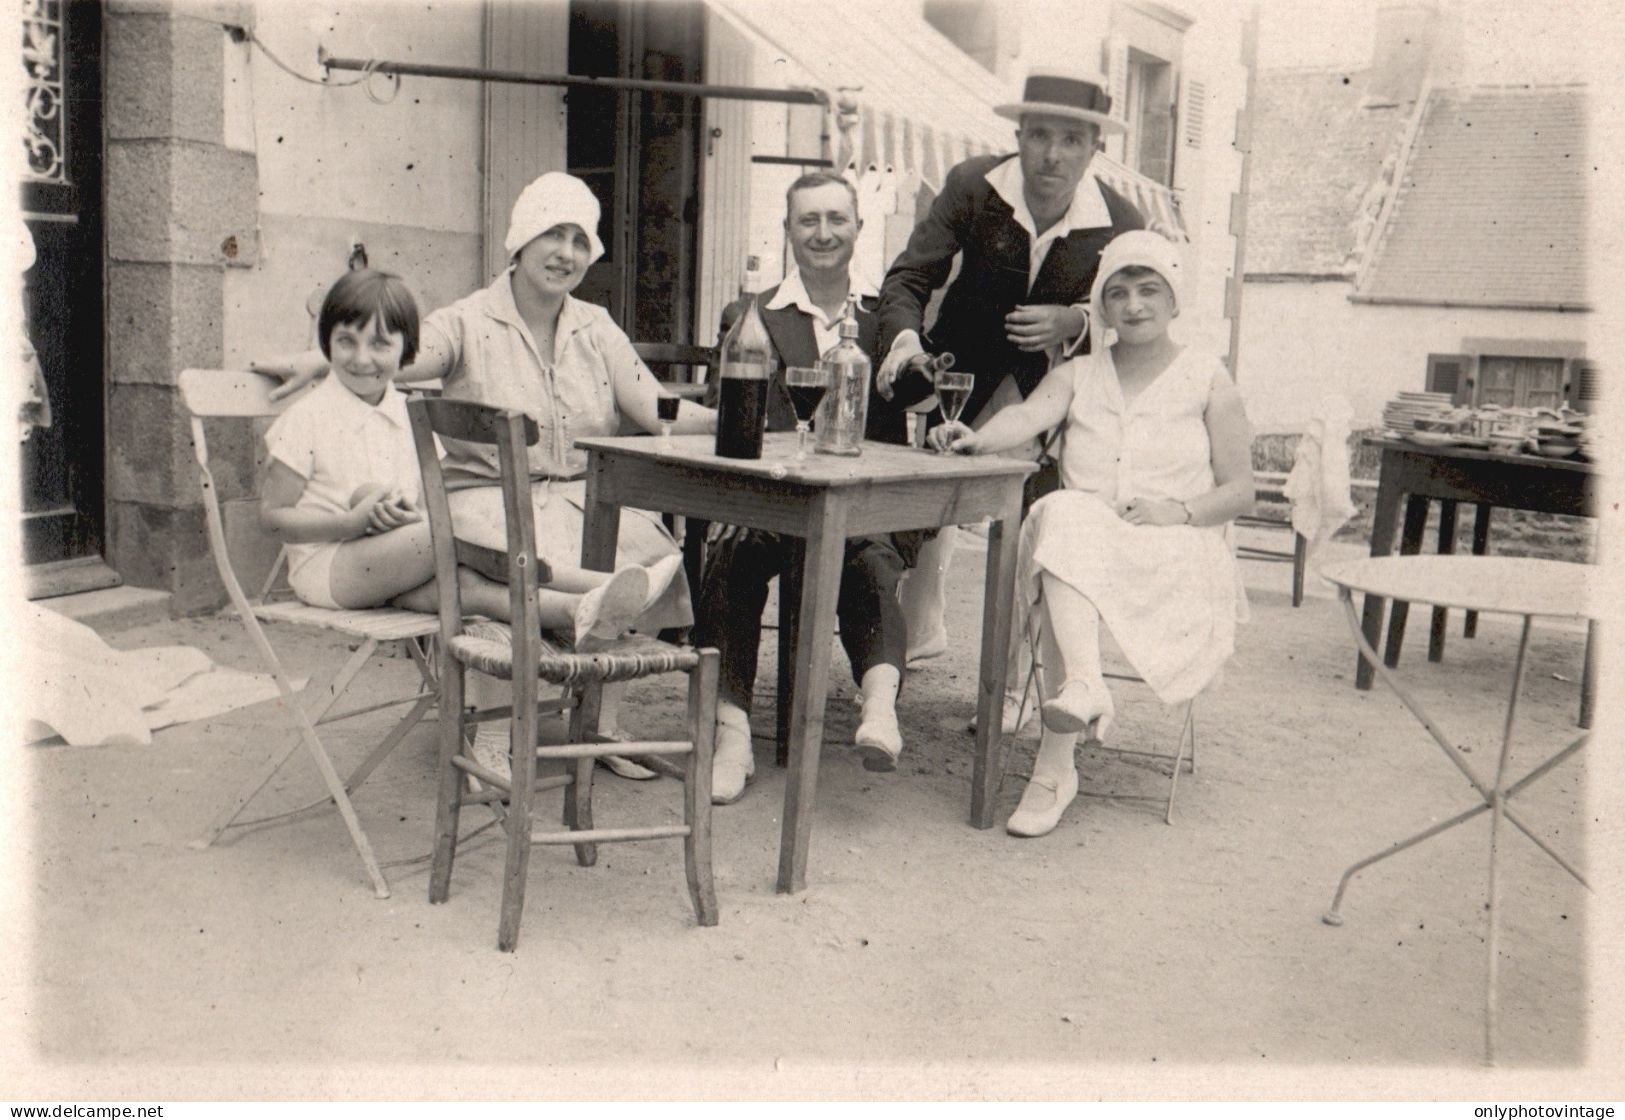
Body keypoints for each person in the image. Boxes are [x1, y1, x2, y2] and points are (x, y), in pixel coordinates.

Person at [256, 174, 713, 780]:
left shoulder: (596, 326)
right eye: (553, 234)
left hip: (581, 495)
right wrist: (321, 358)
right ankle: (492, 733)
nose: (566, 253)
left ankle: (599, 724)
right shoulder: (465, 321)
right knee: (506, 548)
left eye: (580, 240)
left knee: (633, 546)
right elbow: (392, 354)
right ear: (519, 243)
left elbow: (656, 406)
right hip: (488, 496)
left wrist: (730, 419)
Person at [929, 230, 1253, 838]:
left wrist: (1178, 511)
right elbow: (1027, 416)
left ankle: (1058, 762)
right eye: (1119, 292)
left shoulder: (1208, 378)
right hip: (1087, 541)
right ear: (1101, 306)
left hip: (1174, 547)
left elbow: (1242, 491)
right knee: (1065, 516)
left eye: (1149, 290)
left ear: (1174, 299)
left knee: (1064, 547)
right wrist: (973, 437)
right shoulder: (1080, 373)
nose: (1134, 305)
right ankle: (1078, 699)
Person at [875, 66, 1144, 702]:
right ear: (1018, 135)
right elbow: (907, 279)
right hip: (957, 381)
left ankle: (1021, 691)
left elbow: (1137, 312)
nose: (1053, 156)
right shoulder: (973, 186)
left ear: (1094, 149)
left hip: (1049, 397)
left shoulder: (1120, 219)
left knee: (1039, 534)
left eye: (1072, 141)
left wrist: (1076, 318)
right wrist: (908, 343)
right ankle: (898, 643)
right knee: (920, 513)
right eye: (1040, 135)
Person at [693, 171, 935, 803]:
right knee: (732, 552)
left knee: (872, 557)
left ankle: (879, 707)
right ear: (788, 232)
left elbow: (925, 408)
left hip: (862, 509)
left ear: (857, 227)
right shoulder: (751, 315)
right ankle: (733, 735)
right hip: (770, 507)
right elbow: (726, 417)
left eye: (836, 219)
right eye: (808, 221)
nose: (823, 233)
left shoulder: (890, 321)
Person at [261, 267, 650, 647]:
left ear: (406, 353)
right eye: (346, 341)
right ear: (327, 343)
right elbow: (272, 518)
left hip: (386, 562)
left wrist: (399, 514)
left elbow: (411, 498)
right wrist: (349, 522)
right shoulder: (310, 417)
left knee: (469, 588)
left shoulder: (405, 410)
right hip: (328, 567)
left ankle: (580, 610)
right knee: (452, 525)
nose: (362, 359)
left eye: (380, 344)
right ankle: (595, 581)